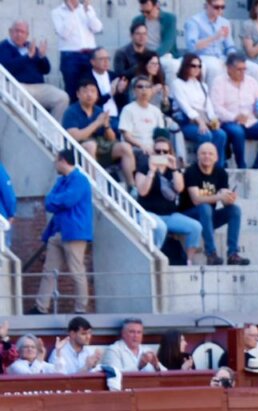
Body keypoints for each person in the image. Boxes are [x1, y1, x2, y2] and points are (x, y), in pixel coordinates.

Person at [35, 149, 93, 315]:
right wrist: (56, 201)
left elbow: (68, 200)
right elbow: (48, 202)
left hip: (75, 233)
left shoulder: (80, 180)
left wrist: (55, 201)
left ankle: (81, 309)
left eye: (56, 160)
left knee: (77, 271)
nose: (55, 164)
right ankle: (41, 307)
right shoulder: (62, 181)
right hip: (58, 232)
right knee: (49, 270)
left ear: (63, 160)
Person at [180, 141, 248, 266]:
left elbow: (223, 196)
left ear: (216, 157)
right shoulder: (191, 171)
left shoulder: (220, 172)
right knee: (205, 208)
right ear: (198, 156)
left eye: (210, 154)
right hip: (189, 216)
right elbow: (196, 199)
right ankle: (211, 253)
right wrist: (219, 196)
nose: (207, 156)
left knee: (234, 210)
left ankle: (232, 254)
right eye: (203, 153)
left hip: (208, 218)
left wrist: (229, 198)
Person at [136, 136, 202, 263]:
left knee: (196, 227)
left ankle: (188, 261)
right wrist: (152, 171)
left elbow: (179, 188)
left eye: (165, 152)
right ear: (153, 152)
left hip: (169, 215)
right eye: (158, 151)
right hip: (147, 213)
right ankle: (155, 259)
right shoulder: (144, 167)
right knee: (160, 227)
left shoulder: (173, 169)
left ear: (170, 153)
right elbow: (142, 192)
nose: (161, 154)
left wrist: (174, 169)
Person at [210, 53, 258, 170]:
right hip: (228, 121)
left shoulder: (251, 82)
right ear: (229, 68)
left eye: (244, 69)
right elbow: (216, 108)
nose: (242, 72)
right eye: (239, 69)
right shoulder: (219, 81)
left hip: (249, 121)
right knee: (237, 132)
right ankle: (241, 164)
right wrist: (234, 117)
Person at [62, 77, 135, 183]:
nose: (89, 94)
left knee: (125, 147)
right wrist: (97, 123)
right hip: (79, 150)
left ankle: (132, 186)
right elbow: (75, 136)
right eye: (85, 91)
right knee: (91, 145)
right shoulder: (71, 111)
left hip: (101, 148)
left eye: (93, 91)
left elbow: (111, 139)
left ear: (97, 95)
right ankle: (94, 184)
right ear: (78, 94)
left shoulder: (99, 111)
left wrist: (106, 126)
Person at [2, 20, 70, 120]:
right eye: (17, 31)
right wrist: (27, 57)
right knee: (23, 96)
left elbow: (46, 70)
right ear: (10, 31)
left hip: (38, 86)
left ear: (27, 35)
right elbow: (7, 68)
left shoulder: (31, 47)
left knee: (62, 97)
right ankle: (33, 129)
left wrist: (42, 56)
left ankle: (51, 131)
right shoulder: (4, 47)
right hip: (17, 86)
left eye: (22, 32)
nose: (19, 34)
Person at [172, 53, 229, 168]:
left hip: (203, 120)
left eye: (199, 66)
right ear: (186, 66)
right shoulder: (177, 83)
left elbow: (208, 107)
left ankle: (218, 168)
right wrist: (200, 122)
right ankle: (201, 167)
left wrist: (214, 121)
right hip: (187, 121)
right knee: (205, 134)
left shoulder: (202, 85)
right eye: (193, 66)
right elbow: (185, 107)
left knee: (221, 134)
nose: (197, 69)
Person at [184, 0, 258, 86]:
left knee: (255, 69)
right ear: (207, 5)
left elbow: (229, 46)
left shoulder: (224, 22)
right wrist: (214, 37)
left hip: (222, 57)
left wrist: (233, 58)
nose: (220, 10)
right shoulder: (194, 21)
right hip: (203, 56)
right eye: (216, 7)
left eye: (222, 7)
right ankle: (213, 98)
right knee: (215, 68)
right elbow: (192, 47)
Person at [51, 0, 103, 101]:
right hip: (70, 56)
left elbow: (98, 28)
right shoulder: (57, 12)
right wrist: (72, 13)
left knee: (92, 88)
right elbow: (64, 33)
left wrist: (88, 11)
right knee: (73, 90)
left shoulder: (86, 8)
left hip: (90, 54)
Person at [117, 75, 166, 162]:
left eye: (147, 87)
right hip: (136, 148)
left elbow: (161, 135)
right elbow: (126, 136)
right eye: (140, 87)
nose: (144, 89)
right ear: (134, 91)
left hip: (154, 148)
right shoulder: (128, 109)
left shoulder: (156, 111)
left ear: (151, 90)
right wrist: (142, 146)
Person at [132, 0, 180, 78]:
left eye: (148, 12)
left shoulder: (169, 19)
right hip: (145, 54)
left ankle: (167, 89)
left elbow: (168, 43)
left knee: (173, 66)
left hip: (164, 54)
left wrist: (153, 57)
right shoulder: (138, 20)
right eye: (142, 11)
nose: (145, 14)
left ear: (157, 6)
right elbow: (134, 41)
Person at [101, 317, 165, 372]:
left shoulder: (147, 350)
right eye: (132, 332)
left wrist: (156, 366)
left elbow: (166, 373)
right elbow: (114, 375)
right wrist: (139, 366)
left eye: (139, 332)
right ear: (123, 334)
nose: (136, 336)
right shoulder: (113, 350)